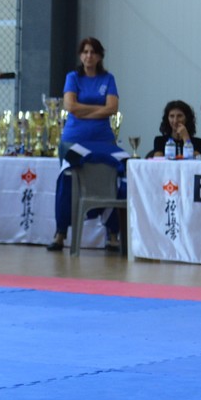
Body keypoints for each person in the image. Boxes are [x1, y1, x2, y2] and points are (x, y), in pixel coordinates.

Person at [46, 37, 120, 252]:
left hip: (102, 140)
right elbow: (70, 106)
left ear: (99, 56)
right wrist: (99, 110)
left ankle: (112, 234)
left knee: (113, 179)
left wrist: (83, 109)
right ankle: (61, 233)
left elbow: (112, 108)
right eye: (85, 52)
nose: (89, 56)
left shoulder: (108, 78)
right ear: (80, 55)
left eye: (93, 52)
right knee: (67, 181)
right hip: (74, 140)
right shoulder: (73, 77)